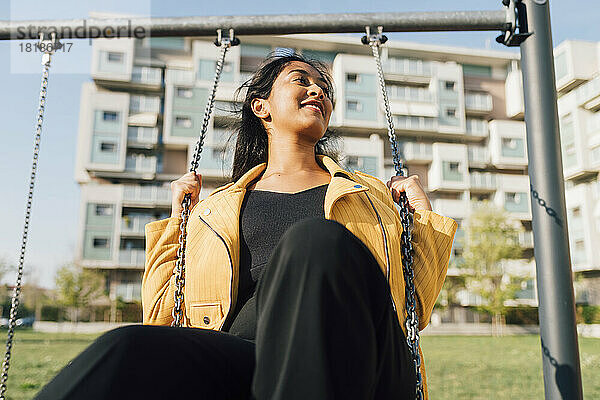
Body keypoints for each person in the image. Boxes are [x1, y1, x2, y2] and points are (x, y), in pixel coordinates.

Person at [35, 53, 457, 400]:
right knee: (127, 346)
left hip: (362, 366)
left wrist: (423, 220)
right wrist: (176, 224)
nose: (318, 91)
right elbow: (162, 316)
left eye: (324, 89)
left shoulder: (367, 193)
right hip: (250, 364)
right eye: (301, 80)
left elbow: (413, 305)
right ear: (262, 107)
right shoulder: (217, 209)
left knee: (314, 242)